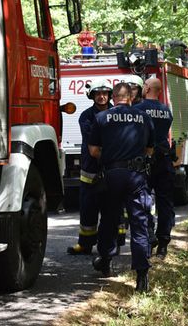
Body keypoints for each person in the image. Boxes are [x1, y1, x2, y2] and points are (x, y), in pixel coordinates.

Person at [88, 82, 155, 292]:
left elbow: (93, 151)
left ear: (113, 97)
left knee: (109, 219)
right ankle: (142, 277)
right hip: (136, 176)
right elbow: (150, 150)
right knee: (139, 223)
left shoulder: (101, 118)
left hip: (112, 175)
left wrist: (111, 159)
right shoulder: (144, 117)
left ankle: (106, 260)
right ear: (130, 97)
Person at [67, 79, 113, 255]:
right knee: (88, 208)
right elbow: (95, 143)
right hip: (90, 170)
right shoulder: (85, 116)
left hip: (111, 168)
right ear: (92, 96)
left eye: (104, 93)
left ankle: (111, 243)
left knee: (111, 207)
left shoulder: (115, 113)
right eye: (98, 94)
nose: (101, 97)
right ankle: (85, 244)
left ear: (109, 95)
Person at [134, 77, 175, 258]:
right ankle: (164, 242)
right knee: (165, 202)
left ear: (148, 88)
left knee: (144, 200)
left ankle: (149, 235)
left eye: (144, 85)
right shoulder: (166, 111)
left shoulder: (138, 110)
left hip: (146, 160)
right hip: (165, 161)